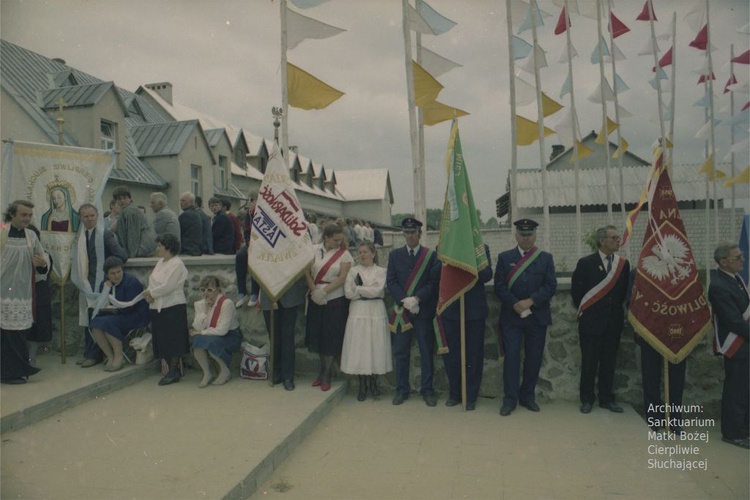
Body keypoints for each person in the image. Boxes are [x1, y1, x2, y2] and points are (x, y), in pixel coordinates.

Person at [494, 219, 557, 416]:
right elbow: (499, 286)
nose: (526, 238)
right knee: (511, 358)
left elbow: (550, 285)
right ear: (516, 235)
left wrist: (530, 301)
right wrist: (516, 304)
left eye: (529, 234)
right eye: (522, 234)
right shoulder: (505, 258)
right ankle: (510, 399)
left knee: (533, 358)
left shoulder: (545, 258)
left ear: (535, 235)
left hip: (536, 316)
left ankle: (527, 396)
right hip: (512, 317)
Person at [571, 225, 630, 414]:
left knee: (609, 362)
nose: (617, 241)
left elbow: (623, 293)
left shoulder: (623, 264)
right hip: (591, 323)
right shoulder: (586, 263)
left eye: (618, 237)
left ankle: (606, 399)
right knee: (589, 362)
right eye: (613, 238)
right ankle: (587, 399)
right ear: (601, 240)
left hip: (613, 322)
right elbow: (577, 294)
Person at [386, 217, 439, 407]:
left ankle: (427, 390)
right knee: (401, 352)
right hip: (402, 312)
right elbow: (391, 282)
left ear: (419, 233)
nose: (409, 236)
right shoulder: (394, 255)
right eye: (406, 233)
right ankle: (402, 390)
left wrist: (417, 299)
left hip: (422, 311)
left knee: (426, 351)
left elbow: (434, 283)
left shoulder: (430, 256)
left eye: (413, 232)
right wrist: (405, 300)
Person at [74, 203, 129, 368]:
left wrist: (110, 276)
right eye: (86, 216)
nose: (90, 219)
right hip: (86, 284)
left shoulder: (104, 234)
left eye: (92, 215)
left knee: (97, 318)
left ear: (97, 215)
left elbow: (121, 256)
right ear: (81, 218)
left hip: (100, 285)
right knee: (88, 318)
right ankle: (91, 354)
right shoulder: (81, 236)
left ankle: (96, 355)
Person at [442, 243, 493, 411]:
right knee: (452, 356)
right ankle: (455, 393)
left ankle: (471, 396)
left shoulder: (480, 247)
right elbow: (436, 275)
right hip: (451, 310)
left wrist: (469, 267)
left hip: (474, 311)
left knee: (474, 355)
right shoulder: (444, 247)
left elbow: (487, 274)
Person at [708, 242, 749, 449]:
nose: (743, 259)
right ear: (724, 262)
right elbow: (733, 320)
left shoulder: (736, 279)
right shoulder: (718, 285)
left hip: (745, 345)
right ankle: (733, 433)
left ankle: (745, 429)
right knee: (737, 392)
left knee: (746, 391)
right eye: (738, 257)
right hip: (737, 346)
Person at [305, 223, 353, 391]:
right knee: (317, 334)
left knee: (330, 336)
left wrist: (324, 291)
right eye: (335, 240)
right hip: (315, 297)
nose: (338, 243)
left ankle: (327, 373)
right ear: (326, 237)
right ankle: (321, 370)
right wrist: (314, 291)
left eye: (341, 240)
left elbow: (342, 277)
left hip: (334, 300)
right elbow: (306, 272)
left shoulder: (345, 254)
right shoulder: (313, 249)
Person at [341, 241, 392, 401]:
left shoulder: (381, 271)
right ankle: (362, 385)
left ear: (373, 253)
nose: (362, 255)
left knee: (375, 345)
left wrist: (360, 289)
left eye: (365, 252)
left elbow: (378, 290)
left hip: (375, 310)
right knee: (360, 346)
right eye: (360, 252)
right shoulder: (353, 271)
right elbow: (348, 293)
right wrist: (366, 290)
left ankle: (374, 384)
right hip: (358, 312)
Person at [0, 200, 44, 384]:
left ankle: (16, 371)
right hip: (2, 291)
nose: (27, 218)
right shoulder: (1, 231)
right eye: (23, 215)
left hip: (22, 292)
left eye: (29, 215)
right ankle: (7, 373)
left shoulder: (31, 236)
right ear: (12, 215)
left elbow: (42, 262)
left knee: (17, 334)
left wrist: (42, 264)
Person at [89, 257, 150, 372]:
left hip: (135, 316)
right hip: (117, 315)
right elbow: (102, 303)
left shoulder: (132, 283)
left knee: (107, 323)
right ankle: (110, 356)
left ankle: (119, 357)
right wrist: (106, 290)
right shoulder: (105, 284)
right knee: (95, 323)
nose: (116, 276)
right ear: (107, 274)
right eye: (112, 273)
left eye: (119, 271)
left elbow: (129, 307)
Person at [144, 233, 189, 386]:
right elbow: (152, 280)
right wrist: (149, 293)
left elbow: (168, 286)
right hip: (157, 305)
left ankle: (174, 370)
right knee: (162, 338)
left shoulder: (177, 264)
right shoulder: (160, 262)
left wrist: (152, 293)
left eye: (159, 246)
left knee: (174, 339)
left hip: (173, 305)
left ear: (168, 247)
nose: (157, 248)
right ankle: (168, 368)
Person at [190, 275, 242, 388]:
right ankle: (207, 373)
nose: (205, 294)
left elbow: (223, 330)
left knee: (209, 342)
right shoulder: (200, 304)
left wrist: (201, 333)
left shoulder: (226, 303)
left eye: (210, 290)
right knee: (197, 342)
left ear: (218, 290)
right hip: (212, 334)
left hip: (231, 336)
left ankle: (225, 371)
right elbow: (198, 327)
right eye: (202, 290)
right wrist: (204, 310)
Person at [261, 278, 307, 391]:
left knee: (287, 337)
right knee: (274, 337)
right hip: (269, 294)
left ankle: (288, 376)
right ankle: (276, 372)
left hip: (290, 292)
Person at [26, 224, 53, 367]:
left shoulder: (44, 255)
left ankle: (31, 358)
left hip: (38, 292)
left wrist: (42, 264)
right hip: (20, 290)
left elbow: (44, 272)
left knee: (35, 326)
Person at [112, 185, 156, 258]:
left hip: (143, 249)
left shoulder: (130, 211)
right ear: (116, 201)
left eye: (125, 198)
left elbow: (133, 235)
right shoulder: (126, 210)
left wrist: (131, 256)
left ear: (130, 198)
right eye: (119, 199)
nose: (122, 201)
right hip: (146, 248)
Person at [235, 193, 260, 307]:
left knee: (254, 257)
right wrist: (249, 242)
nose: (249, 202)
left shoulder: (264, 214)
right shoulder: (248, 214)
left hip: (263, 245)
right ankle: (241, 291)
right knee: (240, 256)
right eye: (248, 199)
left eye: (252, 199)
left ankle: (255, 292)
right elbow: (246, 231)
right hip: (252, 243)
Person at [178, 192, 204, 256]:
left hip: (188, 251)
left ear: (191, 202)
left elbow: (178, 232)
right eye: (180, 201)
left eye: (183, 201)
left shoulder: (186, 215)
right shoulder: (196, 214)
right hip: (196, 250)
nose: (181, 203)